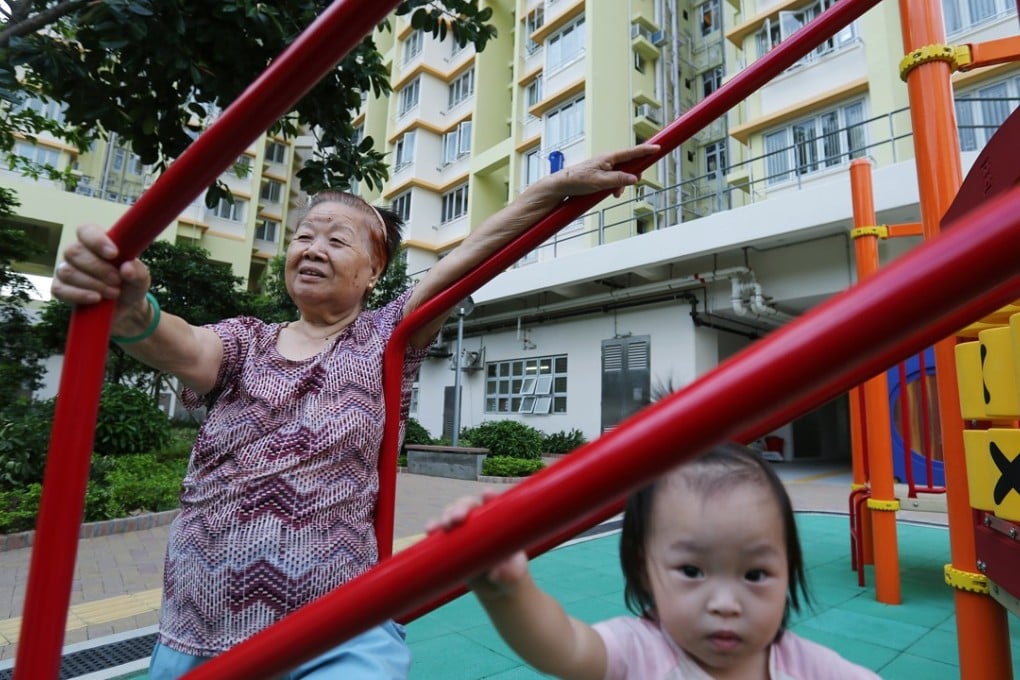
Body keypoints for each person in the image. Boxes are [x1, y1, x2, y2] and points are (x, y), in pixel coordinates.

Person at [51, 143, 659, 679]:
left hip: (335, 624)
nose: (313, 248)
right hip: (197, 626)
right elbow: (184, 346)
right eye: (304, 236)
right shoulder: (246, 342)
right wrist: (131, 310)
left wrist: (550, 189)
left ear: (375, 272)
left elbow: (467, 258)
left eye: (337, 240)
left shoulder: (386, 340)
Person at [428, 442, 881, 679]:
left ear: (789, 571)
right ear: (646, 570)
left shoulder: (807, 667)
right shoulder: (641, 653)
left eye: (756, 574)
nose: (726, 602)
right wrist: (509, 591)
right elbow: (564, 645)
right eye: (691, 571)